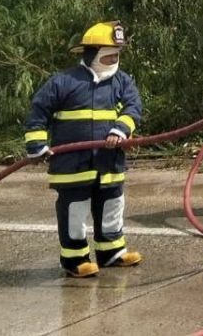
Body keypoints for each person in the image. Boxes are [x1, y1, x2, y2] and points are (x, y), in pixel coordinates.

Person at [24, 21, 145, 278]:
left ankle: (111, 253)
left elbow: (133, 107)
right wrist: (37, 146)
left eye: (117, 54)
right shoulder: (63, 82)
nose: (114, 60)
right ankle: (75, 259)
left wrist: (120, 130)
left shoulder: (122, 81)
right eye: (108, 55)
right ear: (92, 54)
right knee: (75, 211)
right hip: (72, 164)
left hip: (109, 162)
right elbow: (38, 113)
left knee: (112, 205)